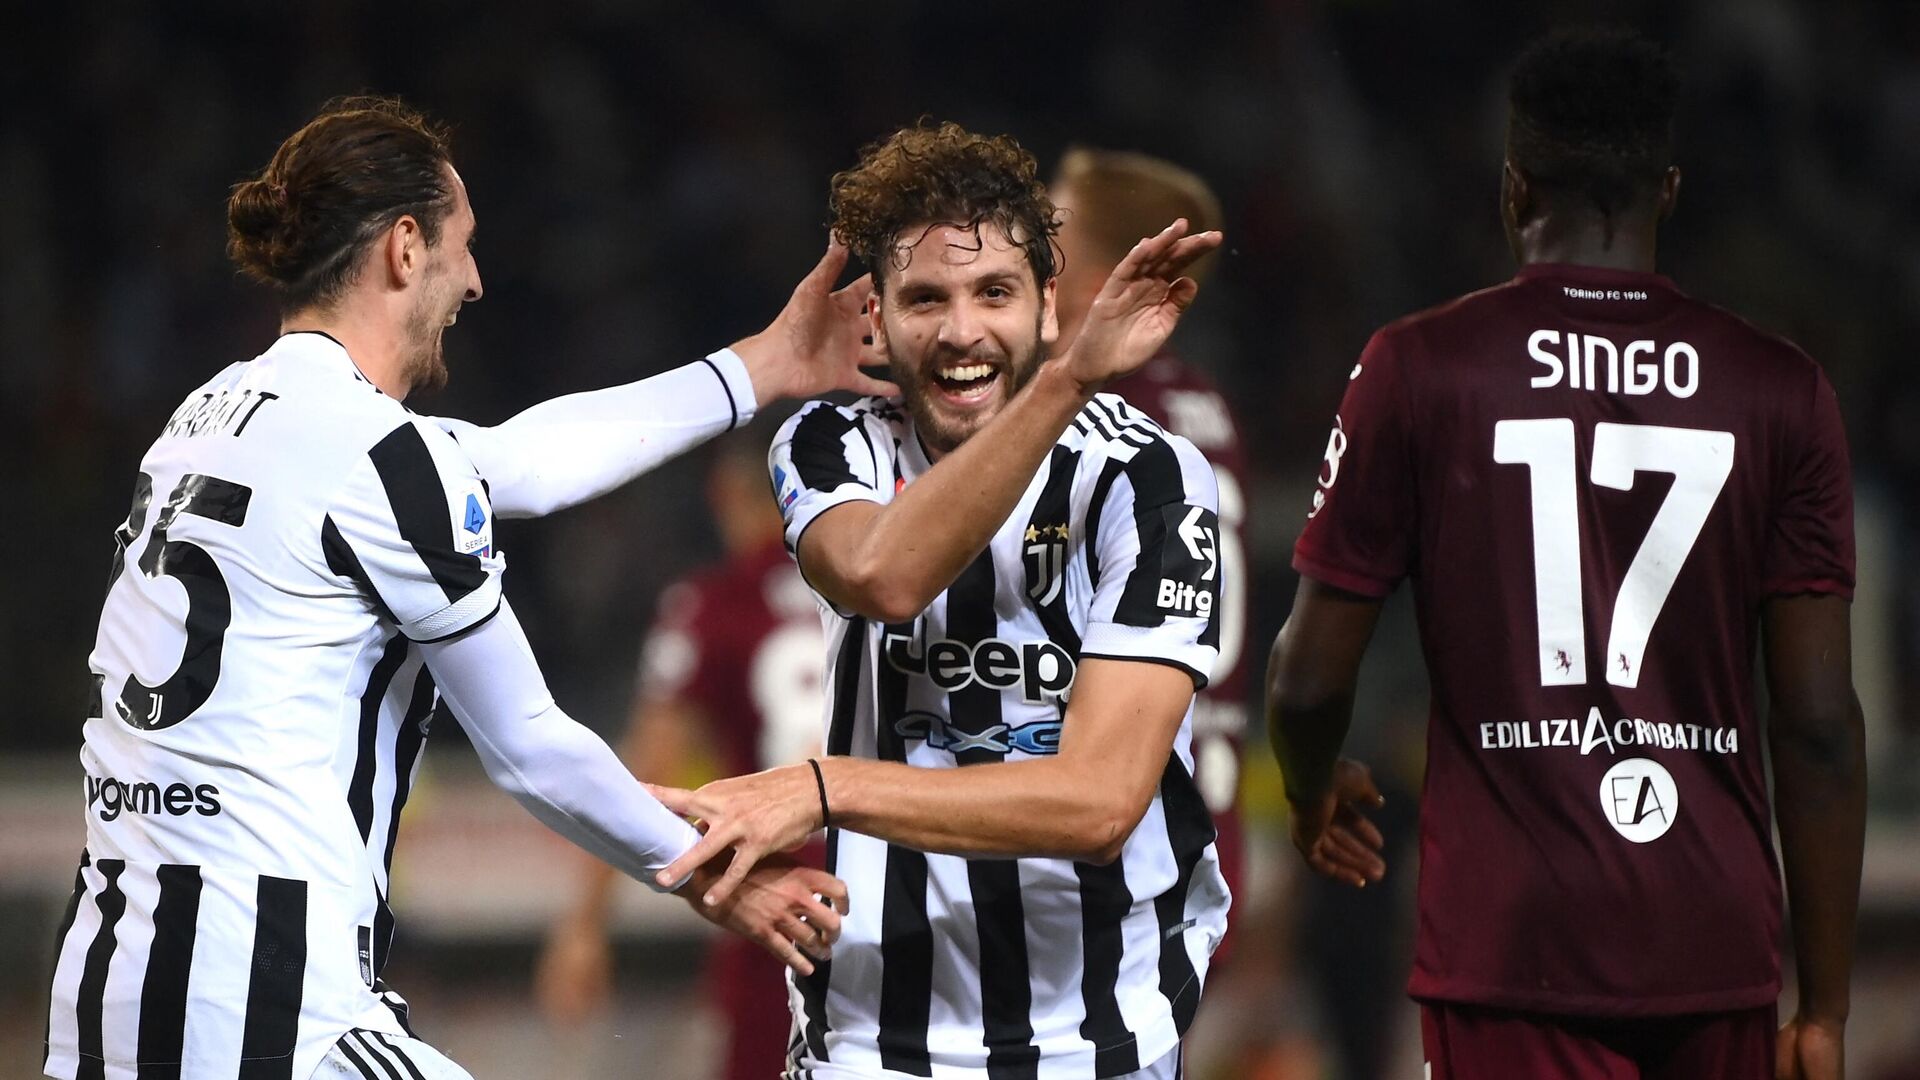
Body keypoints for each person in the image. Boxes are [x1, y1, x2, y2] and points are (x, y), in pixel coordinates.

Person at [43, 95, 886, 1080]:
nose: (476, 281)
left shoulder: (204, 421)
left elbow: (527, 459)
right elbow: (531, 747)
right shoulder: (382, 462)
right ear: (406, 248)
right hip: (270, 1010)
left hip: (106, 995)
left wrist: (770, 362)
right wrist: (713, 873)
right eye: (464, 245)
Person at [1265, 29, 1863, 1080]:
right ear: (1667, 190)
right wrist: (1823, 1008)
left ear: (1512, 187)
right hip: (1712, 932)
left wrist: (1311, 787)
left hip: (1514, 941)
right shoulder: (1782, 389)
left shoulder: (1419, 368)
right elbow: (1817, 725)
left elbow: (1308, 679)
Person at [650, 121, 1227, 1080]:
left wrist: (825, 788)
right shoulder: (831, 444)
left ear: (1050, 306)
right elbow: (883, 575)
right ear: (875, 320)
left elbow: (1098, 804)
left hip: (1101, 1036)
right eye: (927, 298)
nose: (963, 332)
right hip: (870, 1033)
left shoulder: (1149, 476)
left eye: (995, 292)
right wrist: (1065, 382)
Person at [533, 428, 828, 1079]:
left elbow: (647, 769)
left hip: (776, 902)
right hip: (895, 890)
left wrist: (585, 923)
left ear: (727, 493)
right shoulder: (874, 588)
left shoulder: (710, 605)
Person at [1048, 145, 1251, 941]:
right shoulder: (1201, 403)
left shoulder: (1097, 418)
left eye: (1050, 231)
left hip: (1116, 834)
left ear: (1104, 278)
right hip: (1200, 804)